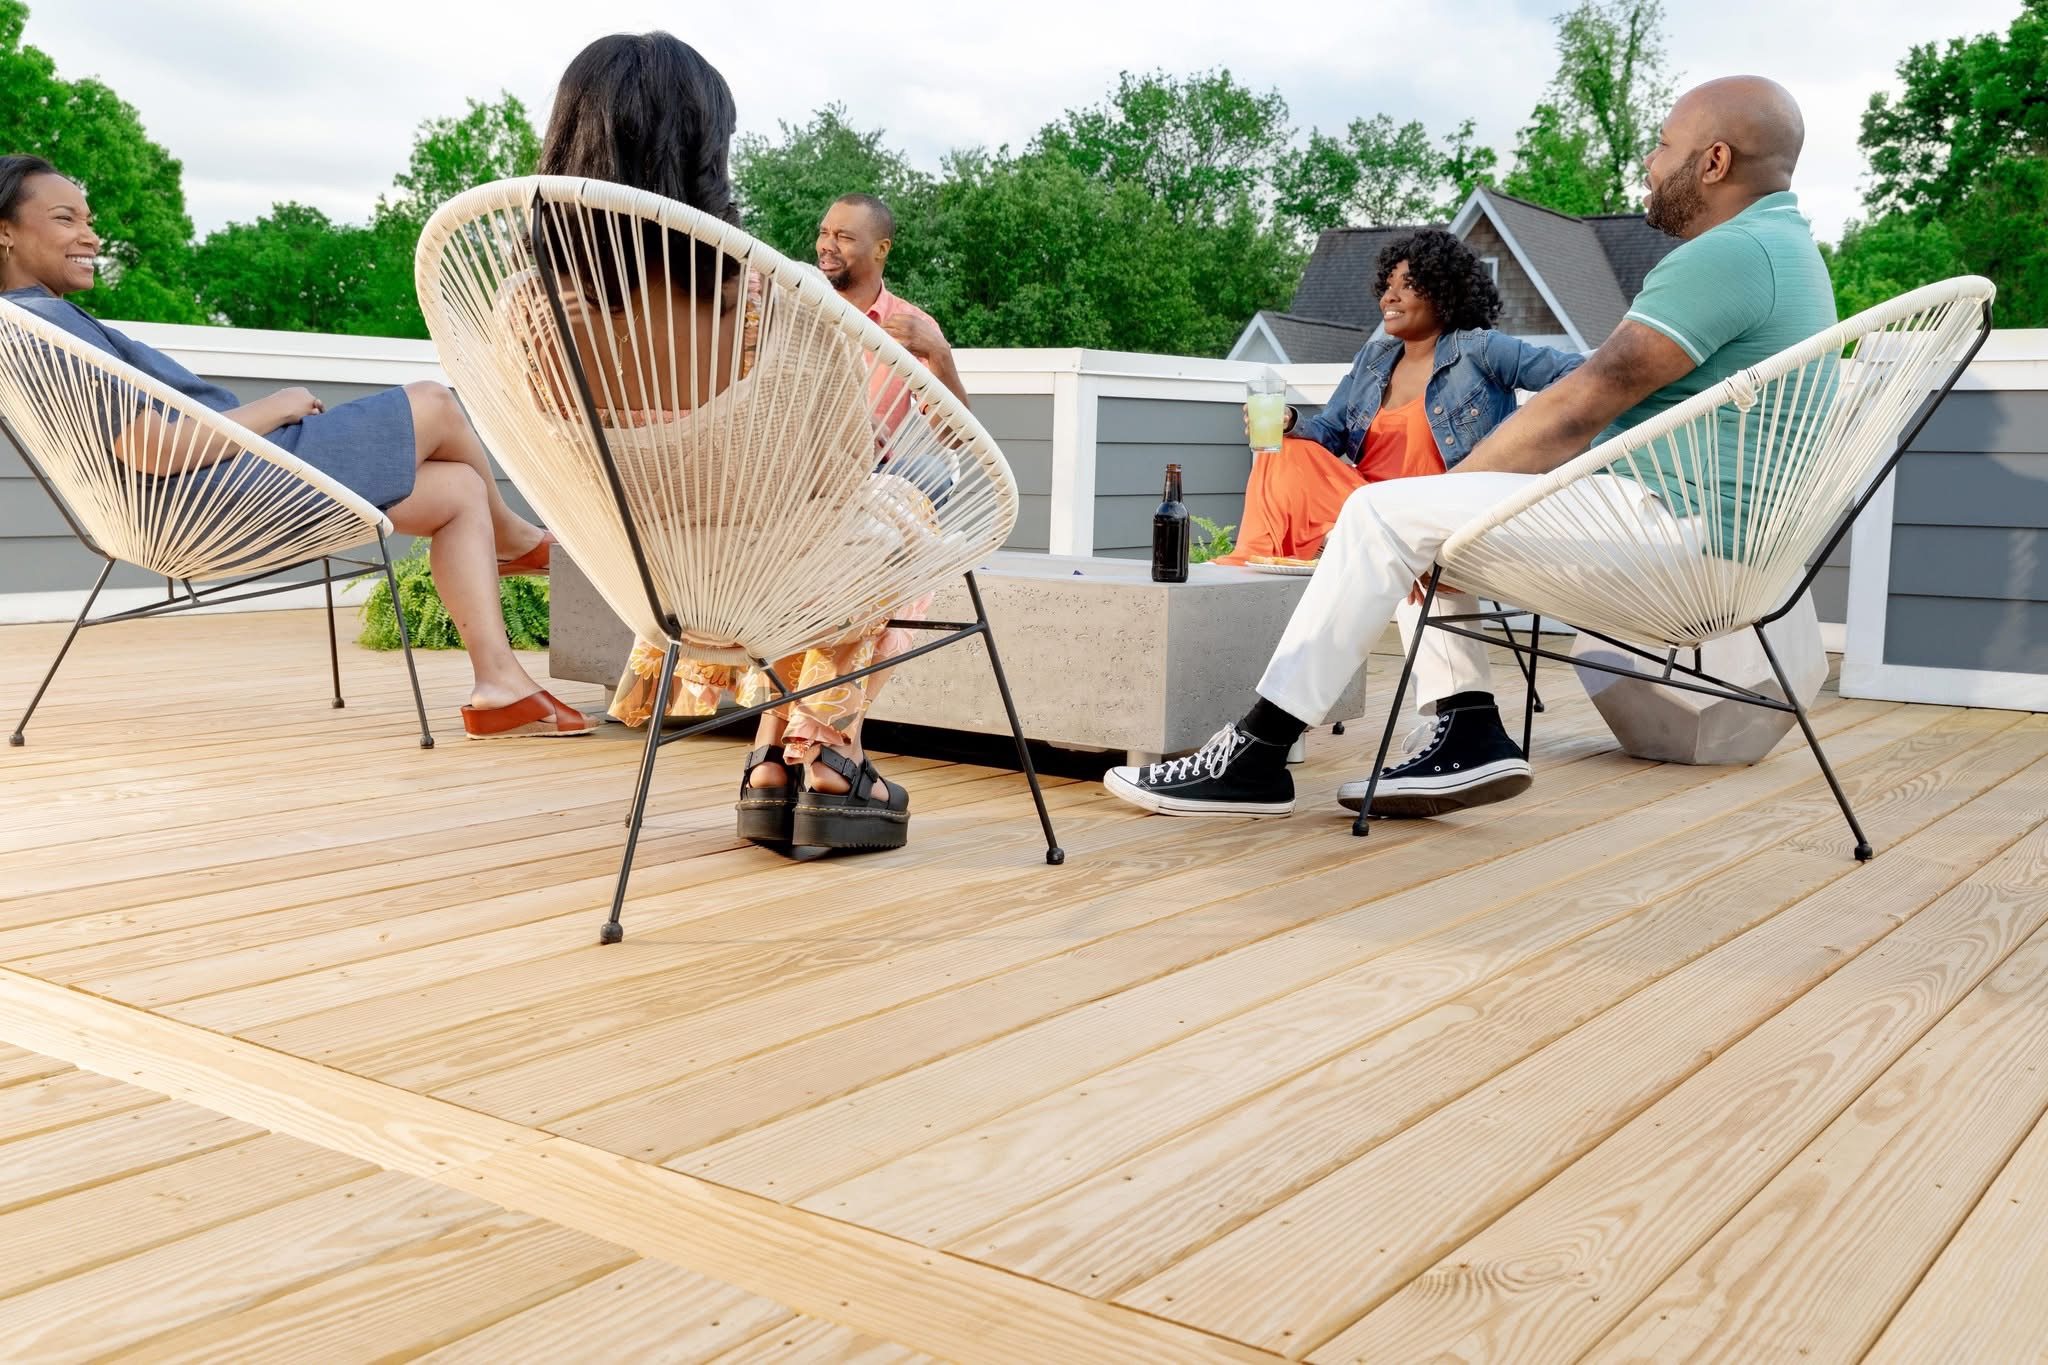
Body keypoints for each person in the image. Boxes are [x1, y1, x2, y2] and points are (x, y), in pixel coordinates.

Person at [1105, 76, 1835, 822]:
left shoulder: (1730, 254)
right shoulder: (1787, 251)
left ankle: (1259, 752)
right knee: (1407, 515)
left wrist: (1455, 501)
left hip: (1679, 533)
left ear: (1713, 162)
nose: (1649, 162)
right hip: (1720, 535)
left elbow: (1584, 398)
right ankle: (1466, 726)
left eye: (1663, 145)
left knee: (1386, 514)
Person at [0, 154, 593, 740]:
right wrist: (277, 406)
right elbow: (151, 449)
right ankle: (518, 542)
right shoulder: (41, 324)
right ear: (5, 231)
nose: (91, 236)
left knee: (460, 491)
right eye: (65, 220)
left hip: (209, 493)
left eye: (88, 219)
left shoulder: (29, 323)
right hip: (213, 494)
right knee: (434, 402)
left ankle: (500, 688)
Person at [539, 33, 930, 851]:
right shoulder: (777, 302)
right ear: (706, 155)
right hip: (767, 583)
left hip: (648, 585)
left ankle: (767, 761)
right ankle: (827, 756)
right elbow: (840, 479)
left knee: (826, 537)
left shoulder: (522, 309)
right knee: (899, 517)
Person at [1218, 229, 1582, 741]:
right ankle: (1260, 560)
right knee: (1285, 452)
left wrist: (1517, 447)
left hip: (1445, 515)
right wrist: (1292, 421)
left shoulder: (1480, 350)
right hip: (1368, 508)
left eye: (1407, 285)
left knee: (1420, 565)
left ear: (1444, 292)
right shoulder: (1374, 360)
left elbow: (1582, 377)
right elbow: (1332, 433)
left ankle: (1452, 718)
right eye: (1387, 285)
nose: (1389, 297)